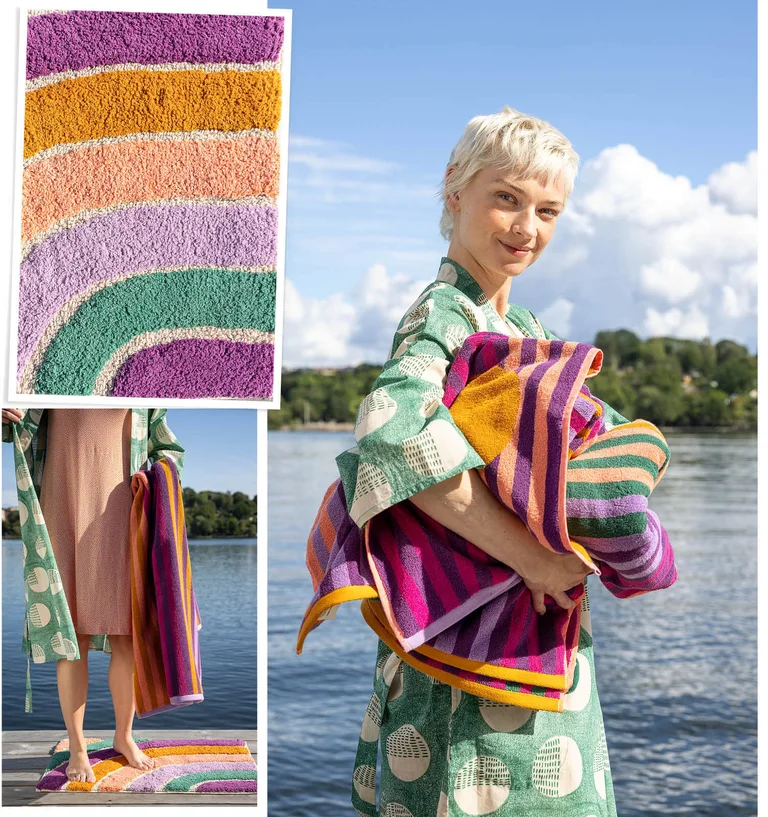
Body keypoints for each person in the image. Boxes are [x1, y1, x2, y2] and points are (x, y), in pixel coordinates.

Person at [336, 107, 631, 816]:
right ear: (454, 190)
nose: (526, 228)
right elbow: (392, 434)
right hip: (468, 646)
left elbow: (598, 438)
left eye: (548, 210)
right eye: (507, 198)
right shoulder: (444, 315)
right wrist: (535, 559)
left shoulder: (525, 329)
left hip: (525, 639)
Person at [2, 407, 184, 784]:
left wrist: (154, 476)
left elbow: (169, 449)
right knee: (72, 639)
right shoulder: (43, 377)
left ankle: (124, 735)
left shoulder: (142, 383)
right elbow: (15, 433)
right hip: (61, 507)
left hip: (122, 512)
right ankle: (77, 745)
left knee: (127, 637)